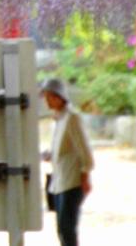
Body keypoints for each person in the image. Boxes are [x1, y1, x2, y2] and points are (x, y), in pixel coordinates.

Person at [42, 78, 94, 246]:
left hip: (72, 181)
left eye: (49, 97)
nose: (46, 101)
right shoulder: (59, 118)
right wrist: (50, 154)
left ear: (58, 97)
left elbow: (84, 150)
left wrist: (85, 176)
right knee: (62, 228)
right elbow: (64, 148)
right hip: (60, 180)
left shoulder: (72, 117)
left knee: (67, 228)